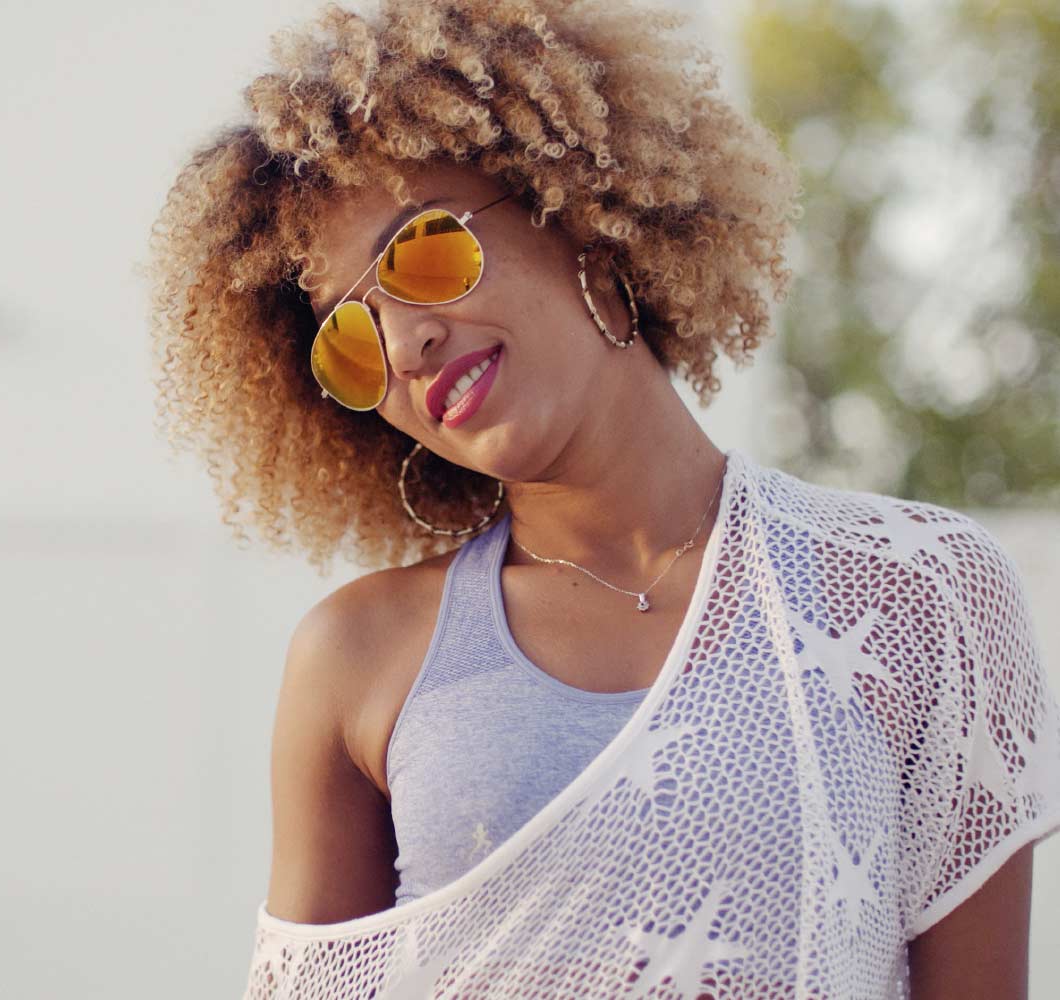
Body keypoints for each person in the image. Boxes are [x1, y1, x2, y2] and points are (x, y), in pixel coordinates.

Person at [140, 1, 1048, 996]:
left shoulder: (917, 592)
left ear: (573, 207)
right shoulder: (357, 658)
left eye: (420, 255)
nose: (404, 343)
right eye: (348, 340)